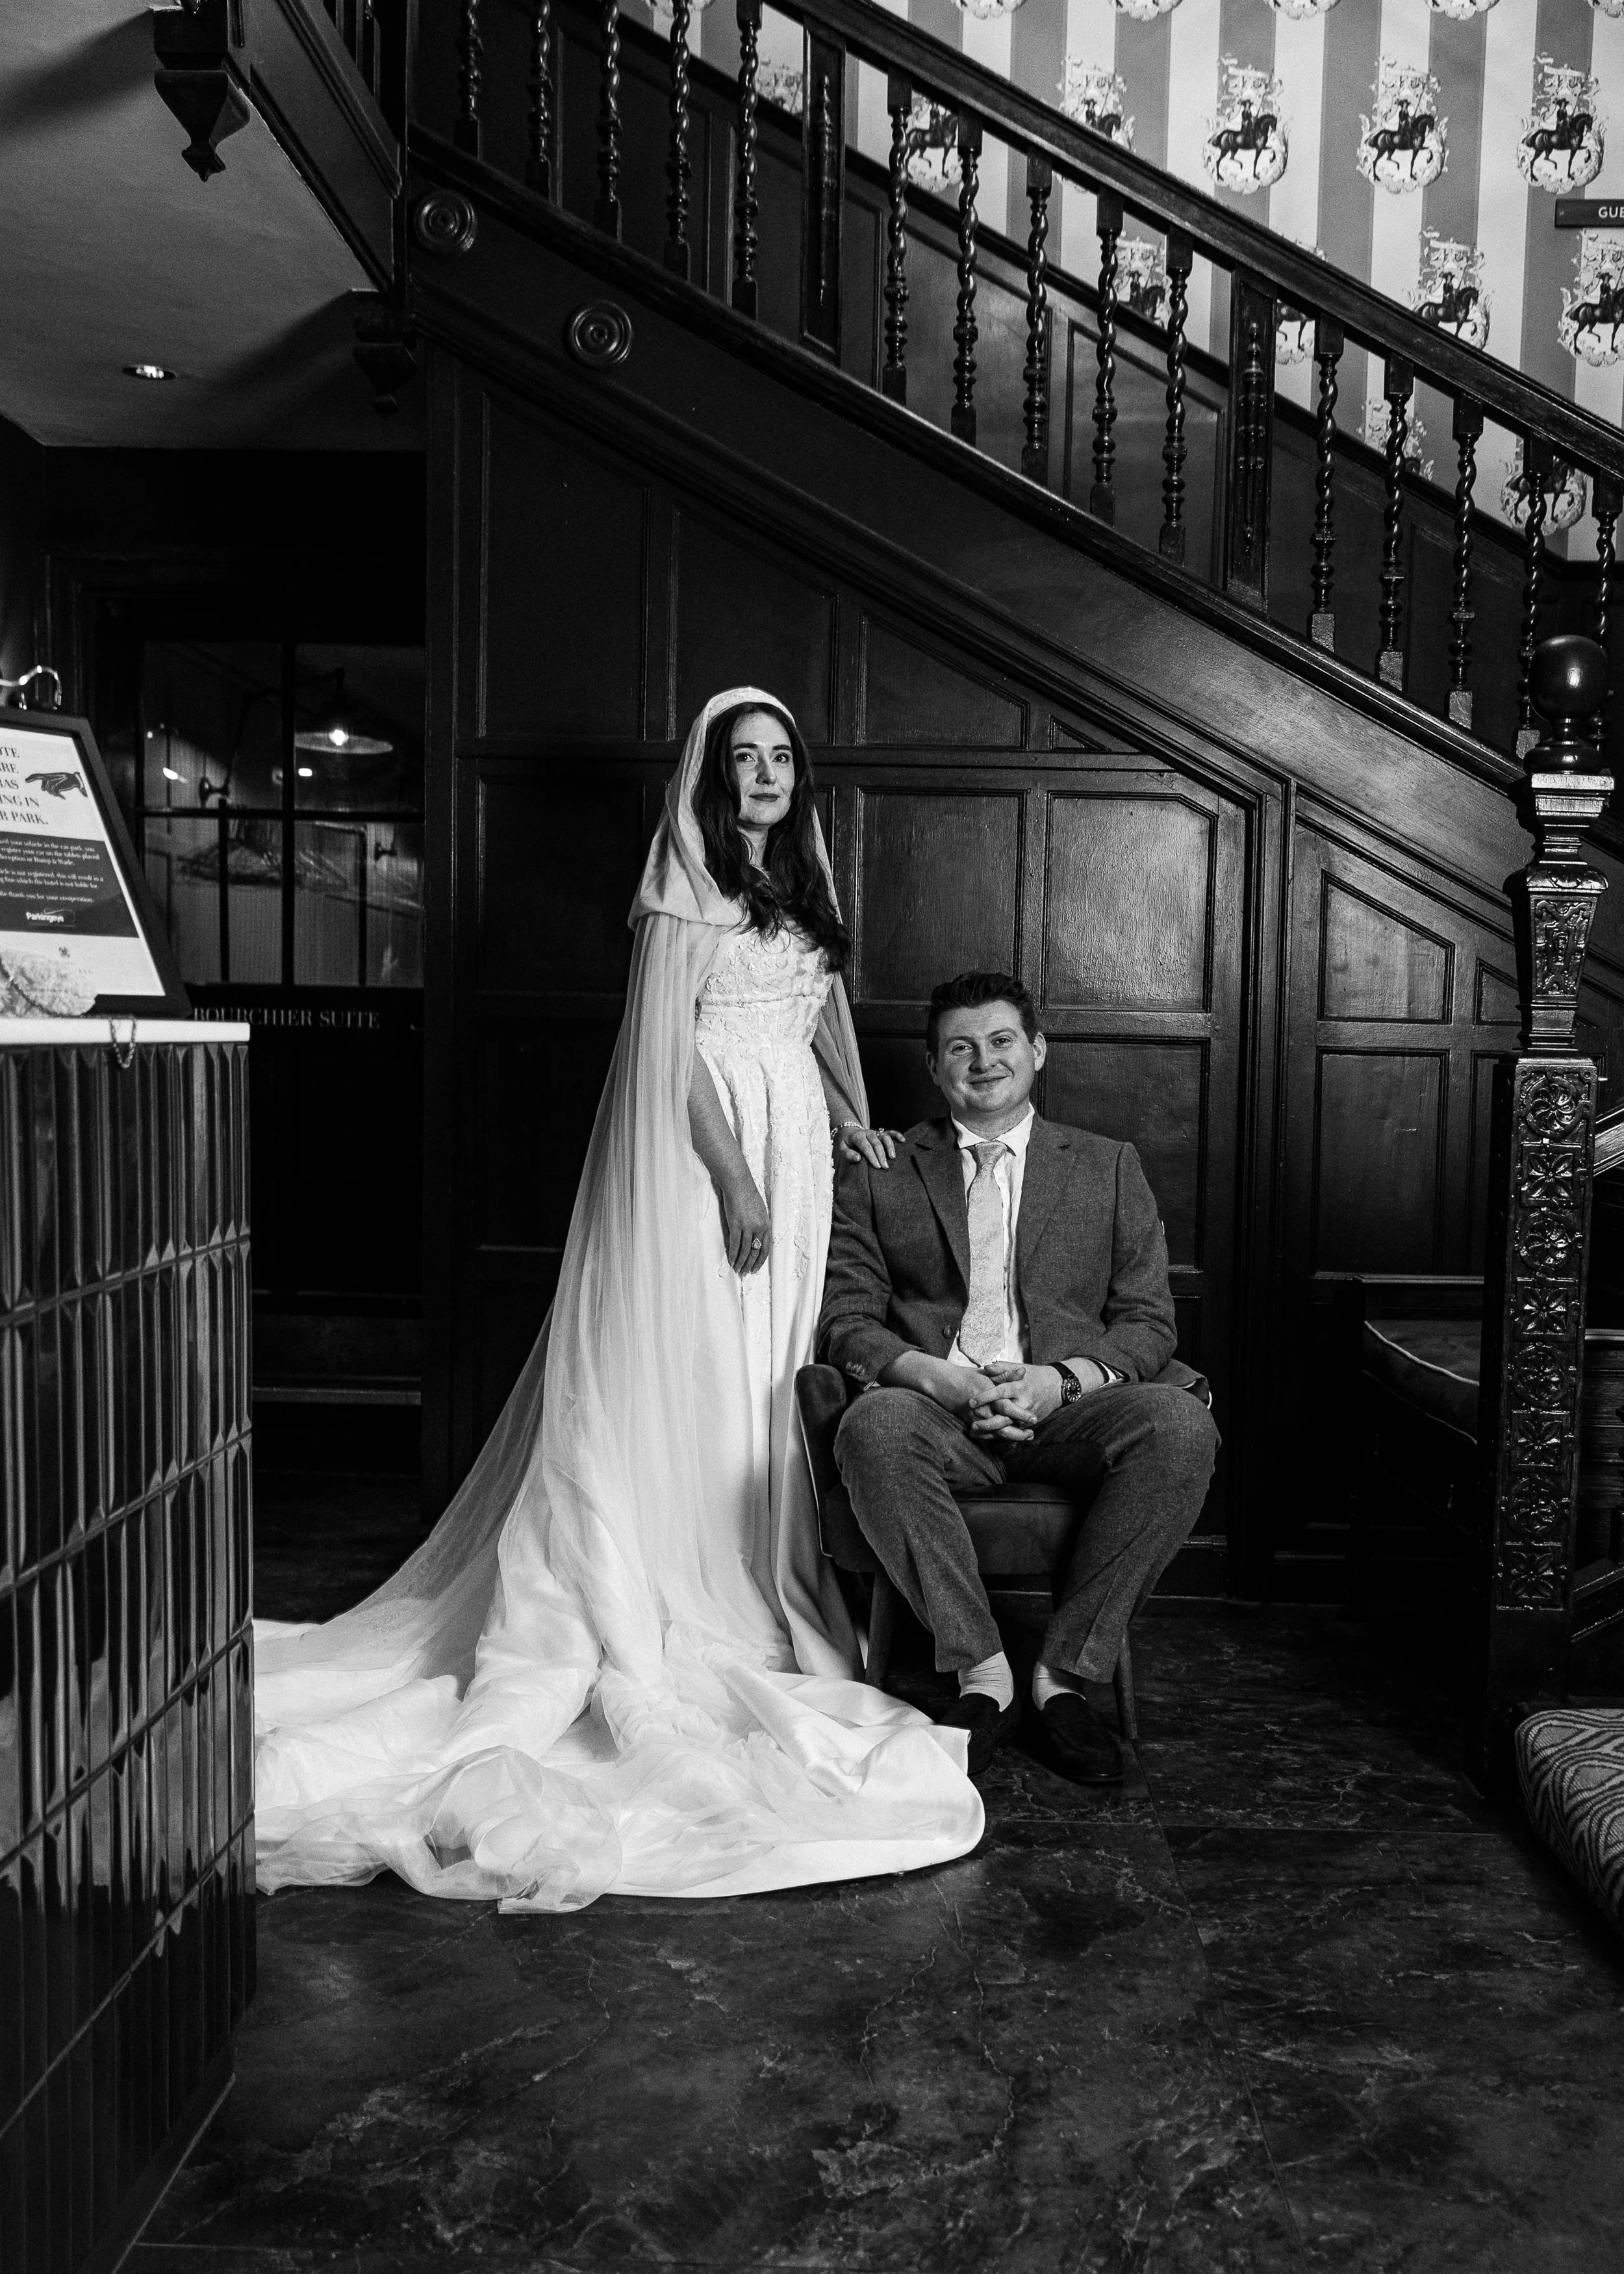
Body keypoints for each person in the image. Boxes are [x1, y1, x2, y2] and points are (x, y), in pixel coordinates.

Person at [253, 690, 983, 1910]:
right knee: (702, 1365)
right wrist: (734, 1176)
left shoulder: (805, 882)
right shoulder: (685, 881)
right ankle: (678, 1584)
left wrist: (849, 1121)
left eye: (780, 757)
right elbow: (668, 1049)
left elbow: (817, 1024)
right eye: (744, 759)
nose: (765, 774)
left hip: (799, 1145)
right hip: (710, 1151)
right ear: (712, 775)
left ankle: (758, 1565)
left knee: (771, 1370)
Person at [819, 970, 1219, 1785]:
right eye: (959, 1047)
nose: (984, 1060)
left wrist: (1059, 1381)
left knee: (1182, 1426)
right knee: (872, 1425)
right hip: (938, 1412)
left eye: (1001, 1040)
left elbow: (1147, 1321)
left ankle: (1061, 1678)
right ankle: (984, 1674)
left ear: (1037, 1049)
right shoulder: (881, 1168)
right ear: (933, 1066)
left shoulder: (1108, 1165)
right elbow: (846, 1320)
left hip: (1070, 1412)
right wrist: (941, 1382)